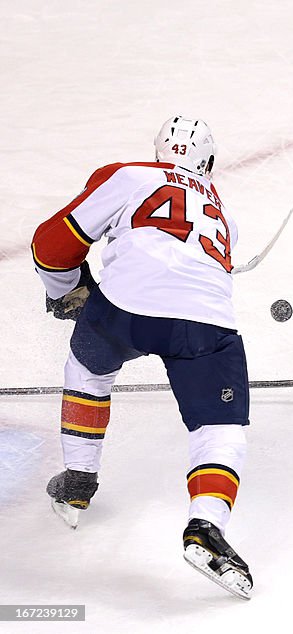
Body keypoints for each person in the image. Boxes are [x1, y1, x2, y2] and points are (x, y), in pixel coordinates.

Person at [31, 116, 253, 599]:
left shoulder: (130, 175)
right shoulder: (225, 216)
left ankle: (77, 481)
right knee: (219, 429)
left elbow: (50, 246)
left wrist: (65, 291)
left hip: (125, 312)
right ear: (208, 165)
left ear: (158, 153)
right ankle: (206, 528)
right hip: (206, 325)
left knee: (88, 370)